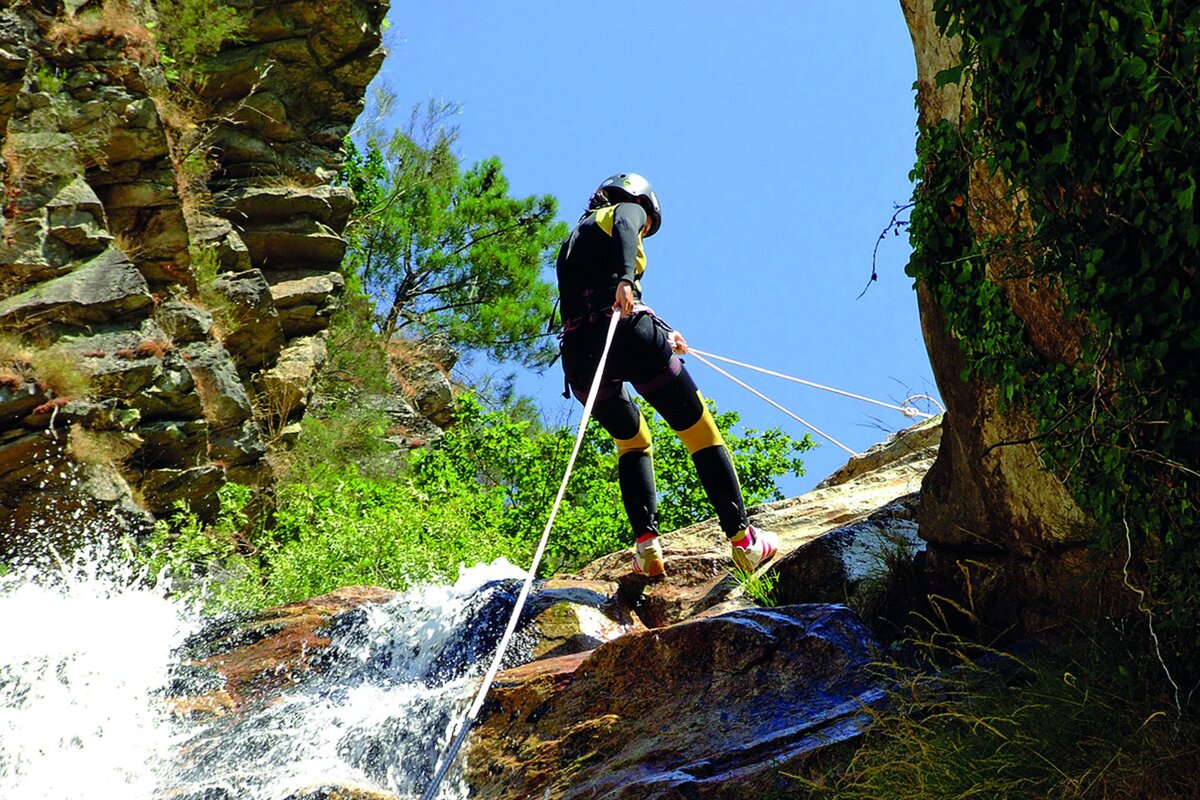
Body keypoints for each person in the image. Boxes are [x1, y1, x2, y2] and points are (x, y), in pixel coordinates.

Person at [555, 172, 780, 580]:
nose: (641, 227)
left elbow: (593, 297)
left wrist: (663, 326)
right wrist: (627, 278)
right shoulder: (621, 211)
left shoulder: (570, 244)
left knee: (633, 439)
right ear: (635, 199)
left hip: (581, 361)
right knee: (699, 430)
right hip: (626, 335)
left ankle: (647, 547)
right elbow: (625, 228)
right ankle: (744, 541)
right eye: (646, 223)